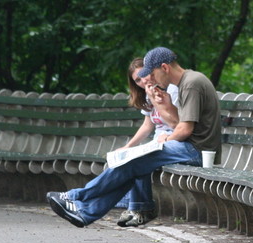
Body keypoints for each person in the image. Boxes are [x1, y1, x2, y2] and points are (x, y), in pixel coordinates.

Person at [46, 46, 222, 228]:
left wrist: (165, 140)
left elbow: (184, 129)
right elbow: (180, 125)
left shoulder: (191, 83)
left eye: (152, 74)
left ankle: (75, 197)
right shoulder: (187, 81)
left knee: (133, 161)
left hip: (196, 150)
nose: (150, 80)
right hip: (189, 147)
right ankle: (85, 212)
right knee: (133, 163)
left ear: (165, 67)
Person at [114, 57, 180, 226]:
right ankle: (135, 207)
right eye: (137, 80)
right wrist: (128, 146)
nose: (143, 82)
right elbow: (147, 125)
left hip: (174, 141)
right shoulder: (147, 95)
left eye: (144, 76)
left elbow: (177, 122)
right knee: (128, 155)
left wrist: (156, 100)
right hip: (158, 143)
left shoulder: (171, 90)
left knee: (140, 160)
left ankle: (141, 209)